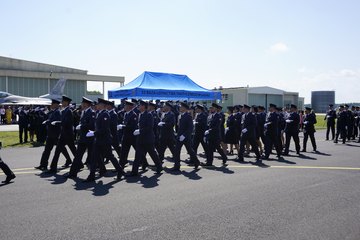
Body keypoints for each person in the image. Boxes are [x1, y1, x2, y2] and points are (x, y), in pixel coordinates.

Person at [84, 99, 124, 182]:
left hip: (105, 140)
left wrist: (94, 133)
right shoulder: (99, 113)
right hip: (98, 140)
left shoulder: (105, 114)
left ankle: (120, 171)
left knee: (110, 156)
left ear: (103, 105)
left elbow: (105, 129)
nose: (97, 105)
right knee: (94, 157)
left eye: (98, 104)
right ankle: (91, 176)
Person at [127, 100, 163, 176]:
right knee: (137, 155)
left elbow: (149, 127)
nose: (138, 107)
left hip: (148, 139)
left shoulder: (149, 115)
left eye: (140, 105)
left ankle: (159, 166)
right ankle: (134, 172)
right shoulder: (141, 114)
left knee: (153, 154)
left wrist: (140, 131)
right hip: (141, 139)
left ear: (143, 106)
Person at [35, 99, 72, 171]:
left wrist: (48, 122)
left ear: (56, 105)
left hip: (56, 134)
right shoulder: (53, 112)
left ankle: (68, 160)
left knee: (61, 149)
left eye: (52, 104)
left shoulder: (58, 112)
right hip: (50, 134)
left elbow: (56, 122)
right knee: (47, 150)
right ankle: (43, 164)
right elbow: (49, 119)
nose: (51, 105)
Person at [65, 97, 96, 179]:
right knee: (78, 156)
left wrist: (82, 126)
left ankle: (94, 174)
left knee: (93, 157)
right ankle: (72, 173)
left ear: (86, 104)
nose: (81, 104)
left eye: (83, 103)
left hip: (89, 138)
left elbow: (92, 125)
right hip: (82, 138)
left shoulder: (91, 112)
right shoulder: (84, 112)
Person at [47, 96, 77, 172]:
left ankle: (79, 163)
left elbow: (67, 123)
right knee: (57, 151)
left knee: (74, 151)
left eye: (63, 102)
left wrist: (57, 123)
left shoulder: (69, 111)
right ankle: (53, 168)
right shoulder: (64, 111)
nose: (62, 103)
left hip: (68, 135)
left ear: (66, 103)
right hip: (63, 135)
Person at [170, 102, 200, 171]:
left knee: (190, 150)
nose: (180, 108)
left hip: (186, 137)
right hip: (179, 136)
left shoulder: (188, 116)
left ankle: (196, 162)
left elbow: (190, 128)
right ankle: (177, 166)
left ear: (184, 108)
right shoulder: (181, 116)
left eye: (181, 107)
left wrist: (184, 135)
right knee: (177, 151)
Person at [118, 100, 138, 168]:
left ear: (130, 107)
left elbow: (133, 126)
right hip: (126, 136)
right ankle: (120, 167)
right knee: (123, 153)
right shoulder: (126, 114)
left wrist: (123, 126)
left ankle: (144, 163)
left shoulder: (133, 115)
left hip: (132, 137)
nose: (124, 107)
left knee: (138, 151)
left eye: (126, 105)